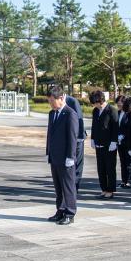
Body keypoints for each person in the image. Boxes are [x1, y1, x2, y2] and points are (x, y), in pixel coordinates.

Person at [45, 85, 78, 225]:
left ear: (60, 98)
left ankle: (70, 212)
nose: (50, 103)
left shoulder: (70, 114)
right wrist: (48, 151)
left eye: (52, 100)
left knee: (67, 186)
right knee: (58, 187)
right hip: (55, 156)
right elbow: (50, 135)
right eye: (49, 101)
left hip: (66, 158)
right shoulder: (52, 113)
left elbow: (72, 137)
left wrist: (70, 157)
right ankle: (60, 210)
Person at [90, 91, 119, 199]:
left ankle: (110, 190)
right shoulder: (95, 111)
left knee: (110, 168)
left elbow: (115, 127)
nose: (94, 105)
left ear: (100, 100)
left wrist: (114, 141)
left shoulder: (112, 110)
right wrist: (92, 138)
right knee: (101, 168)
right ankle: (104, 188)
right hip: (99, 144)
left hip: (109, 145)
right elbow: (94, 125)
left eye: (95, 102)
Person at [63, 93, 87, 192]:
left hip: (77, 137)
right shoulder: (57, 101)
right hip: (66, 137)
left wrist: (80, 136)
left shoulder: (72, 101)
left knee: (77, 162)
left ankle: (75, 185)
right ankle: (69, 185)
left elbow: (79, 118)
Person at [115, 95, 131, 189]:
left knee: (129, 162)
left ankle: (129, 181)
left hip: (128, 141)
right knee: (122, 161)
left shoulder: (130, 113)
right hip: (119, 142)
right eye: (118, 102)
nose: (119, 104)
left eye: (121, 102)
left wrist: (123, 135)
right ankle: (123, 180)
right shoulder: (118, 113)